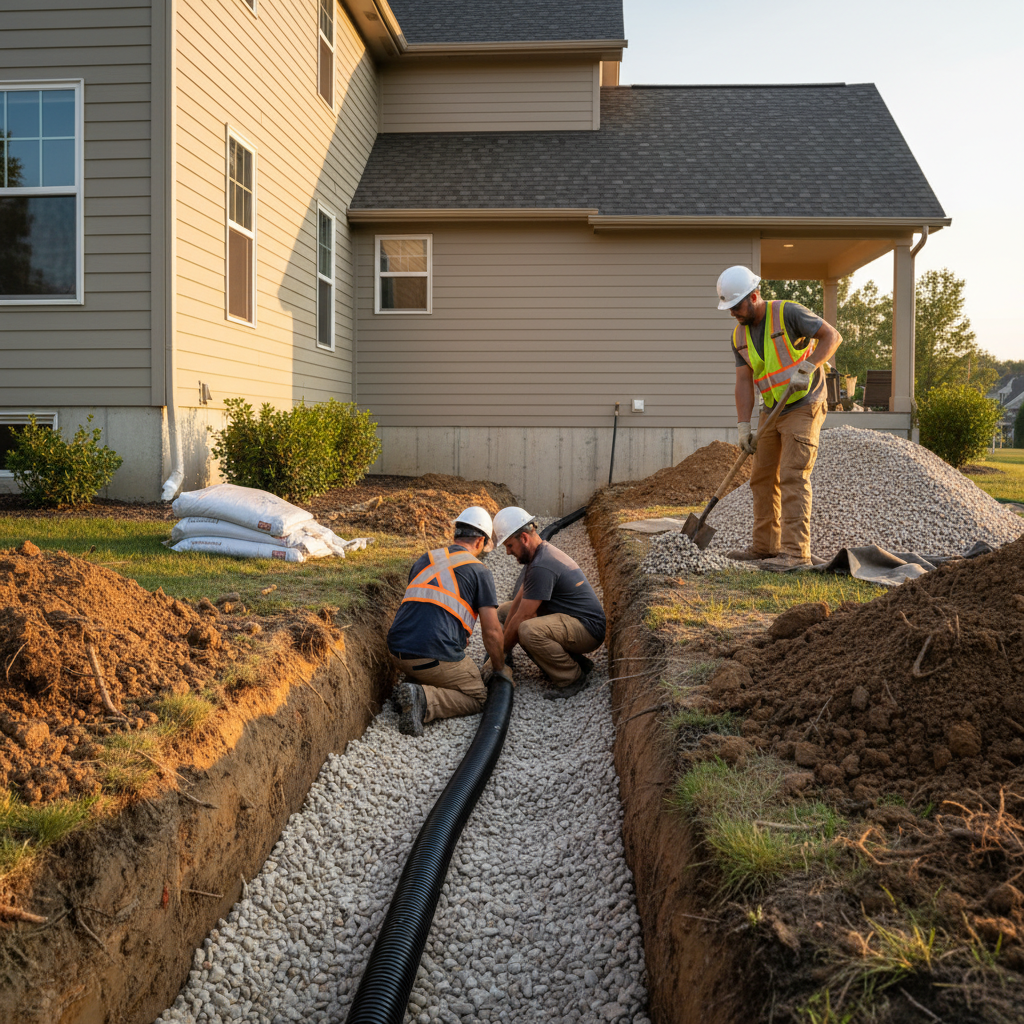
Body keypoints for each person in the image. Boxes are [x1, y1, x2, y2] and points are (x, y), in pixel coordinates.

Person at [715, 265, 843, 570]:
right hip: (772, 408)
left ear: (755, 296)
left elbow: (832, 337)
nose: (733, 313)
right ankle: (765, 548)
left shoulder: (788, 313)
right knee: (761, 477)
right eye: (729, 308)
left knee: (792, 474)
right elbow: (744, 382)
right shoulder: (739, 336)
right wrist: (743, 425)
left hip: (804, 402)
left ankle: (795, 553)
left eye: (736, 306)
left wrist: (809, 366)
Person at [387, 506, 510, 736]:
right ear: (481, 541)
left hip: (397, 653)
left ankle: (413, 684)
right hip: (432, 656)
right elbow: (492, 632)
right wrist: (500, 668)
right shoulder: (479, 571)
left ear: (456, 534)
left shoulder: (425, 559)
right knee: (477, 696)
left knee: (429, 663)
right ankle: (424, 700)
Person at [488, 507, 606, 700]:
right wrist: (502, 651)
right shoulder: (538, 555)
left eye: (509, 546)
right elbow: (519, 600)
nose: (508, 552)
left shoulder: (542, 564)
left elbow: (523, 617)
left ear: (524, 538)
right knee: (504, 611)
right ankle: (577, 662)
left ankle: (571, 677)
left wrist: (497, 659)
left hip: (588, 629)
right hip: (571, 619)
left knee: (527, 630)